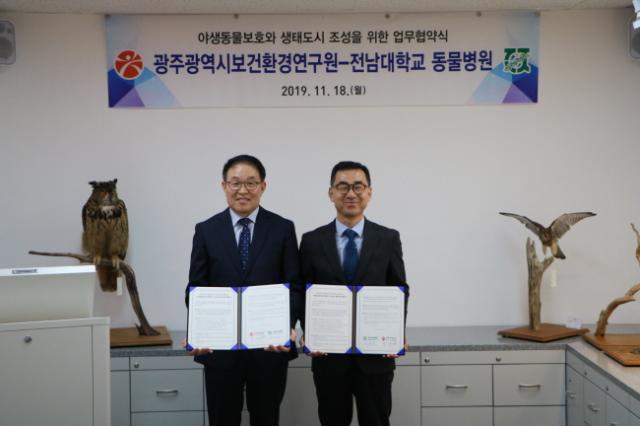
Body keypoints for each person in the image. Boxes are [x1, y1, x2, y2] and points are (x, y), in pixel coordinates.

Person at [186, 154, 302, 426]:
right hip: (220, 352)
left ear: (263, 186)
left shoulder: (282, 228)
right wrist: (199, 329)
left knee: (267, 419)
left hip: (269, 349)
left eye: (251, 183)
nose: (243, 190)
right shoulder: (206, 230)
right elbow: (196, 289)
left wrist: (285, 326)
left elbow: (295, 287)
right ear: (224, 186)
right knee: (222, 420)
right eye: (235, 183)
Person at [299, 160, 409, 426]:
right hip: (328, 357)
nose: (351, 193)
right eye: (343, 187)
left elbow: (399, 289)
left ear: (369, 192)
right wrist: (308, 332)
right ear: (331, 193)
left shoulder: (388, 238)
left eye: (358, 187)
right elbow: (303, 291)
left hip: (376, 357)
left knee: (377, 420)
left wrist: (396, 332)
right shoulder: (312, 241)